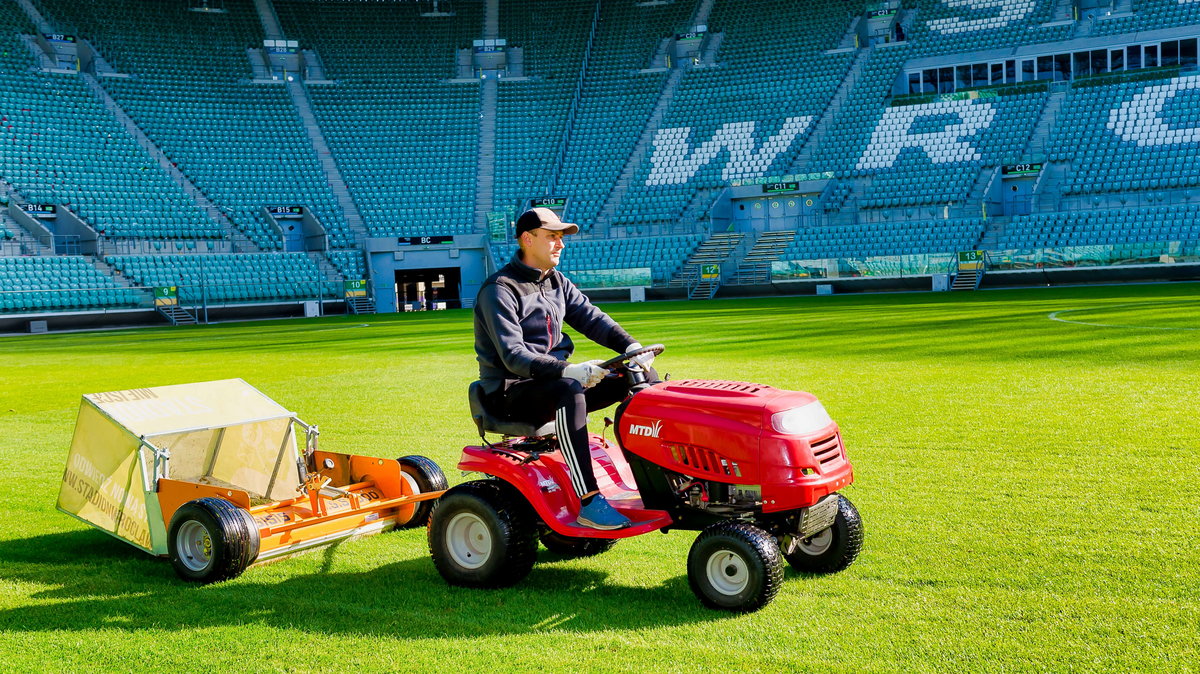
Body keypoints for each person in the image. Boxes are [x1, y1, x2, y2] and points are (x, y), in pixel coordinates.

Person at [473, 207, 656, 530]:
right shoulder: (499, 290)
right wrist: (568, 371)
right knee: (569, 391)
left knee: (636, 374)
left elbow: (592, 318)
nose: (561, 244)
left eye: (561, 238)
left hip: (552, 383)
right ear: (528, 239)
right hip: (510, 392)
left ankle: (654, 478)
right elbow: (514, 356)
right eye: (552, 237)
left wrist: (631, 347)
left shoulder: (556, 281)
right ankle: (589, 501)